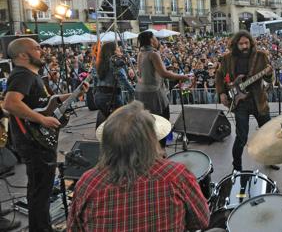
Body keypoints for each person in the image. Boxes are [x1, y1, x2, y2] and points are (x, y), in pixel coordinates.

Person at [67, 101, 212, 231]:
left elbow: (74, 228)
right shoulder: (176, 176)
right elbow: (202, 221)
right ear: (151, 140)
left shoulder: (88, 183)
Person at [3, 37, 88, 232]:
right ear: (23, 55)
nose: (42, 51)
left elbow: (46, 102)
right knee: (40, 191)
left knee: (41, 189)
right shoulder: (22, 75)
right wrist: (41, 120)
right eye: (37, 48)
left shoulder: (32, 76)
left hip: (38, 140)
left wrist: (73, 94)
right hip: (32, 140)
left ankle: (41, 227)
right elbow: (10, 103)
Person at [216, 30, 273, 172]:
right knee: (241, 137)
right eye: (241, 44)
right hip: (240, 103)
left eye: (246, 43)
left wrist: (270, 74)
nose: (244, 46)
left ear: (251, 43)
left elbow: (268, 80)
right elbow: (219, 75)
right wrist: (222, 93)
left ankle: (270, 159)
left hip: (258, 100)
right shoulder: (227, 58)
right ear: (235, 44)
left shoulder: (261, 56)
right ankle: (237, 167)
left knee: (268, 132)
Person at [134, 31, 190, 147]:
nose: (157, 40)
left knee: (148, 122)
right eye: (155, 38)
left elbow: (143, 72)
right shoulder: (153, 54)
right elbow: (163, 74)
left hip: (141, 92)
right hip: (153, 93)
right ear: (151, 40)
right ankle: (161, 149)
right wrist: (181, 77)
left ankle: (150, 148)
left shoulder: (140, 53)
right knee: (163, 121)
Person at [94, 42, 135, 128]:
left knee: (107, 121)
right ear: (114, 51)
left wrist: (128, 69)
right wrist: (133, 93)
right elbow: (123, 81)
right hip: (112, 98)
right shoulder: (114, 63)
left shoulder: (99, 64)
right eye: (117, 48)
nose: (120, 49)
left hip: (98, 97)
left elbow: (95, 82)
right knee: (122, 124)